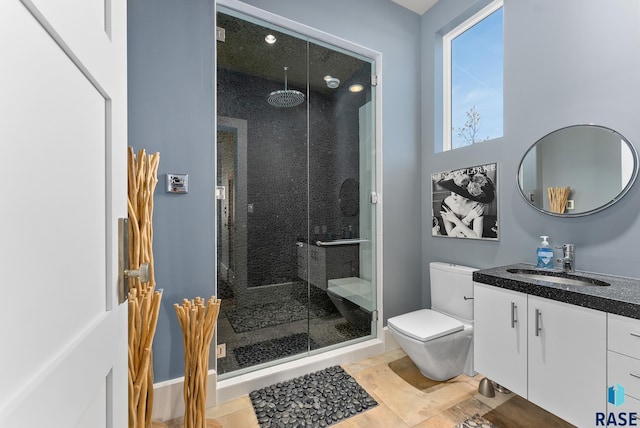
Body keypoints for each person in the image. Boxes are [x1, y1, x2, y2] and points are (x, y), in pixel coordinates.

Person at [437, 172, 495, 239]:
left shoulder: (476, 207)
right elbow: (450, 235)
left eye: (458, 193)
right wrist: (468, 218)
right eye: (453, 190)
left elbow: (477, 237)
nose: (453, 195)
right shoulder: (446, 203)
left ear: (467, 197)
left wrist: (455, 220)